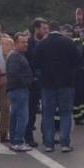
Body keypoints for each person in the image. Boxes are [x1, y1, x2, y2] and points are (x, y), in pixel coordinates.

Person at [34, 23, 82, 153]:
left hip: (47, 83)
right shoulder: (68, 43)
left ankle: (49, 144)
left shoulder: (43, 44)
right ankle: (65, 143)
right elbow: (78, 61)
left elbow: (35, 62)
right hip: (66, 83)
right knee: (65, 113)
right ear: (60, 30)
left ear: (49, 30)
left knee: (48, 114)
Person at [6, 33, 33, 152]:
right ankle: (17, 141)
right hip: (18, 89)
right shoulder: (15, 56)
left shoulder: (17, 55)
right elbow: (14, 73)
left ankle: (14, 140)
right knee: (22, 116)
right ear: (16, 43)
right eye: (23, 42)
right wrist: (27, 81)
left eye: (26, 42)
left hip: (16, 89)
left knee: (15, 115)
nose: (26, 44)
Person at [24, 18, 49, 147]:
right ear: (37, 29)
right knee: (31, 110)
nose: (46, 31)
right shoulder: (28, 44)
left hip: (46, 80)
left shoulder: (48, 43)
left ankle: (47, 137)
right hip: (32, 81)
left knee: (47, 111)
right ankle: (28, 137)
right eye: (44, 28)